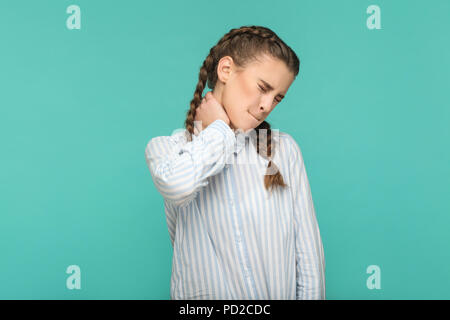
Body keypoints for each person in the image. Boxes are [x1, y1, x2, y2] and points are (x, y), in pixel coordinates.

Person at [145, 25, 325, 300]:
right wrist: (219, 131)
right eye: (262, 88)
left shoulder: (283, 150)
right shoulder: (168, 149)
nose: (267, 105)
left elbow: (309, 259)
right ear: (225, 70)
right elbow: (178, 185)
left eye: (277, 97)